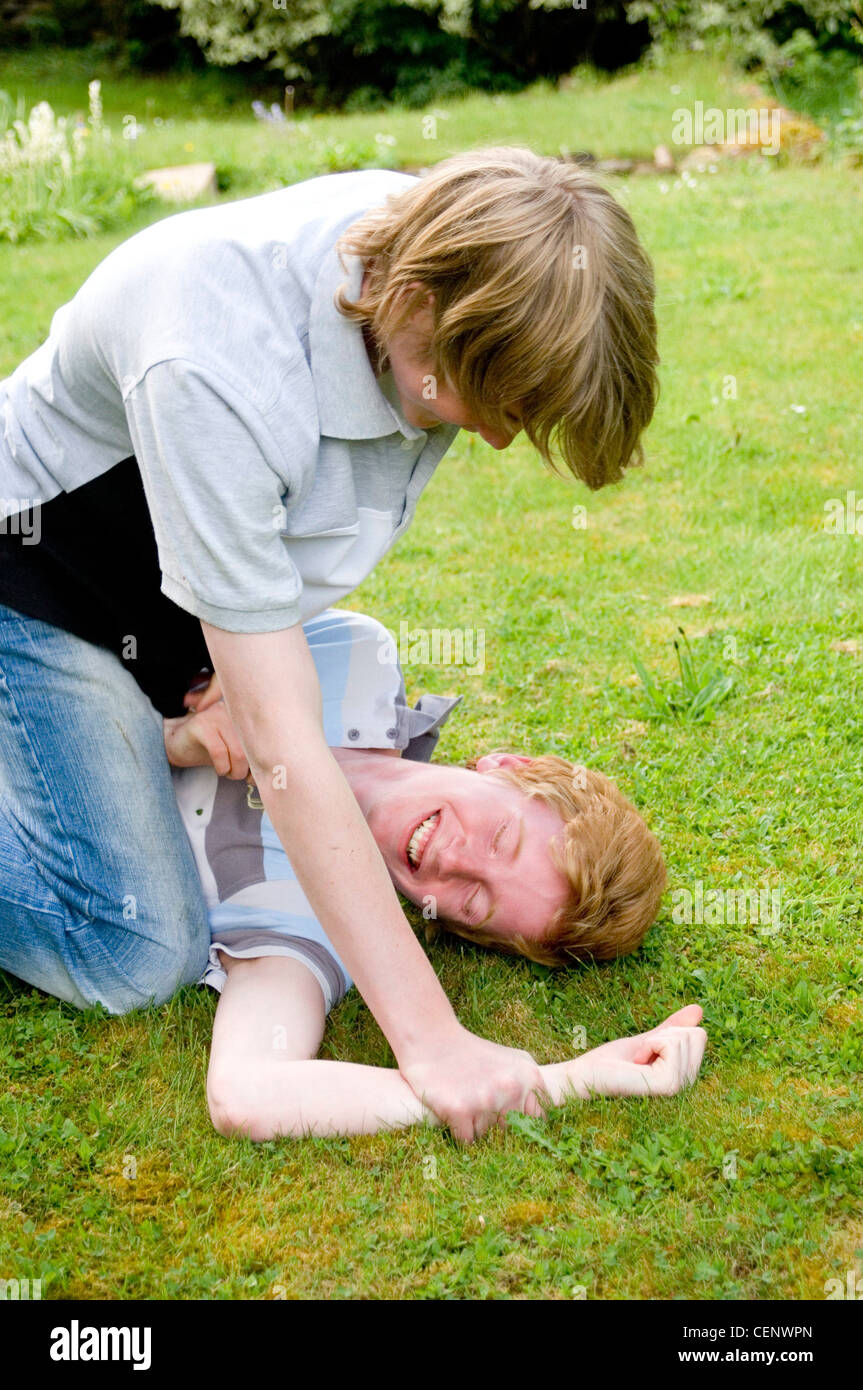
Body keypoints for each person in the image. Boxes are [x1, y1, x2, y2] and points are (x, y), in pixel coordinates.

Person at [0, 145, 659, 1142]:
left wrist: (220, 678)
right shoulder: (213, 358)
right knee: (136, 949)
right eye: (490, 403)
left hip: (157, 611)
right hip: (35, 581)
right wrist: (432, 1046)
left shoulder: (441, 255)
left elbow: (255, 1085)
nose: (491, 440)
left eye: (467, 910)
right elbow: (283, 753)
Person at [162, 607, 704, 1141]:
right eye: (500, 838)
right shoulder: (355, 659)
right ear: (506, 766)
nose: (455, 860)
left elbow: (247, 1094)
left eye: (473, 900)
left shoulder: (318, 929)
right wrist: (175, 730)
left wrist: (564, 1079)